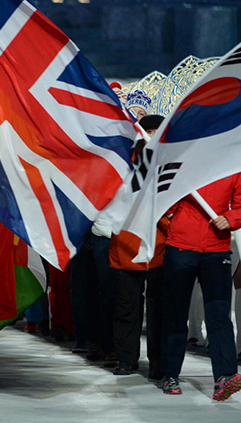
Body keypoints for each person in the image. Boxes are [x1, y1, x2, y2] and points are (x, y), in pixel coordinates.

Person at [161, 173, 241, 400]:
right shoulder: (187, 162)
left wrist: (231, 218)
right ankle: (170, 373)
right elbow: (165, 200)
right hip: (180, 246)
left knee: (219, 314)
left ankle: (225, 376)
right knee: (176, 313)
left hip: (217, 248)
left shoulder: (233, 168)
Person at [110, 115, 166, 380]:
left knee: (159, 310)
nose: (152, 136)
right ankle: (125, 359)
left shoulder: (171, 165)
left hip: (161, 246)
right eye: (149, 130)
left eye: (158, 131)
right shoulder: (123, 165)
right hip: (128, 245)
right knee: (126, 307)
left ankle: (158, 362)